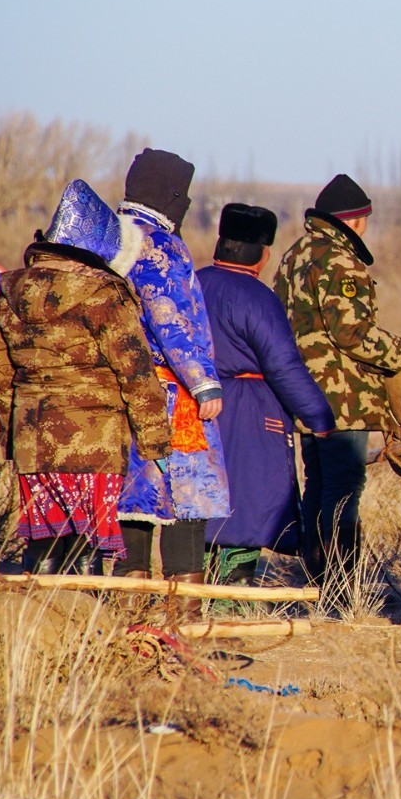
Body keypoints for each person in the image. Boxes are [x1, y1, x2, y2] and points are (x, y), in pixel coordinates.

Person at [0, 180, 172, 574]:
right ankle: (80, 614)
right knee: (87, 539)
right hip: (95, 438)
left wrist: (10, 434)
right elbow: (136, 372)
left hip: (33, 436)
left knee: (44, 536)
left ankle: (38, 612)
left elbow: (2, 373)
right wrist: (155, 438)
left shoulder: (11, 291)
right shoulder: (105, 294)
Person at [273, 174, 401, 581]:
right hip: (341, 402)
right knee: (343, 491)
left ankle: (315, 581)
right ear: (355, 221)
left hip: (301, 392)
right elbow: (353, 333)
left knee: (317, 486)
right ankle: (341, 587)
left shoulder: (294, 255)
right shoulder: (340, 260)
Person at [197, 204, 335, 586]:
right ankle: (233, 591)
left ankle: (198, 586)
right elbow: (284, 367)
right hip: (250, 413)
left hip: (193, 407)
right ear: (262, 252)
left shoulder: (192, 283)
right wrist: (319, 417)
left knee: (200, 503)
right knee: (250, 501)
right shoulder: (257, 298)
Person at [113, 149, 229, 598]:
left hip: (117, 389)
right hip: (167, 391)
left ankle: (129, 614)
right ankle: (183, 623)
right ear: (173, 195)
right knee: (186, 496)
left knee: (134, 500)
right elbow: (171, 318)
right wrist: (202, 382)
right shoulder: (159, 244)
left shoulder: (108, 239)